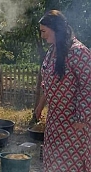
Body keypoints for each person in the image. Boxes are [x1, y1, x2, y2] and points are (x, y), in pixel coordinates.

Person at [35, 10, 91, 172]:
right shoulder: (52, 51)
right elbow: (50, 83)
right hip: (55, 120)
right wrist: (40, 106)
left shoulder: (78, 52)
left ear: (56, 29)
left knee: (71, 163)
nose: (42, 36)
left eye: (44, 31)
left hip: (74, 123)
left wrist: (82, 118)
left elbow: (88, 85)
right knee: (54, 161)